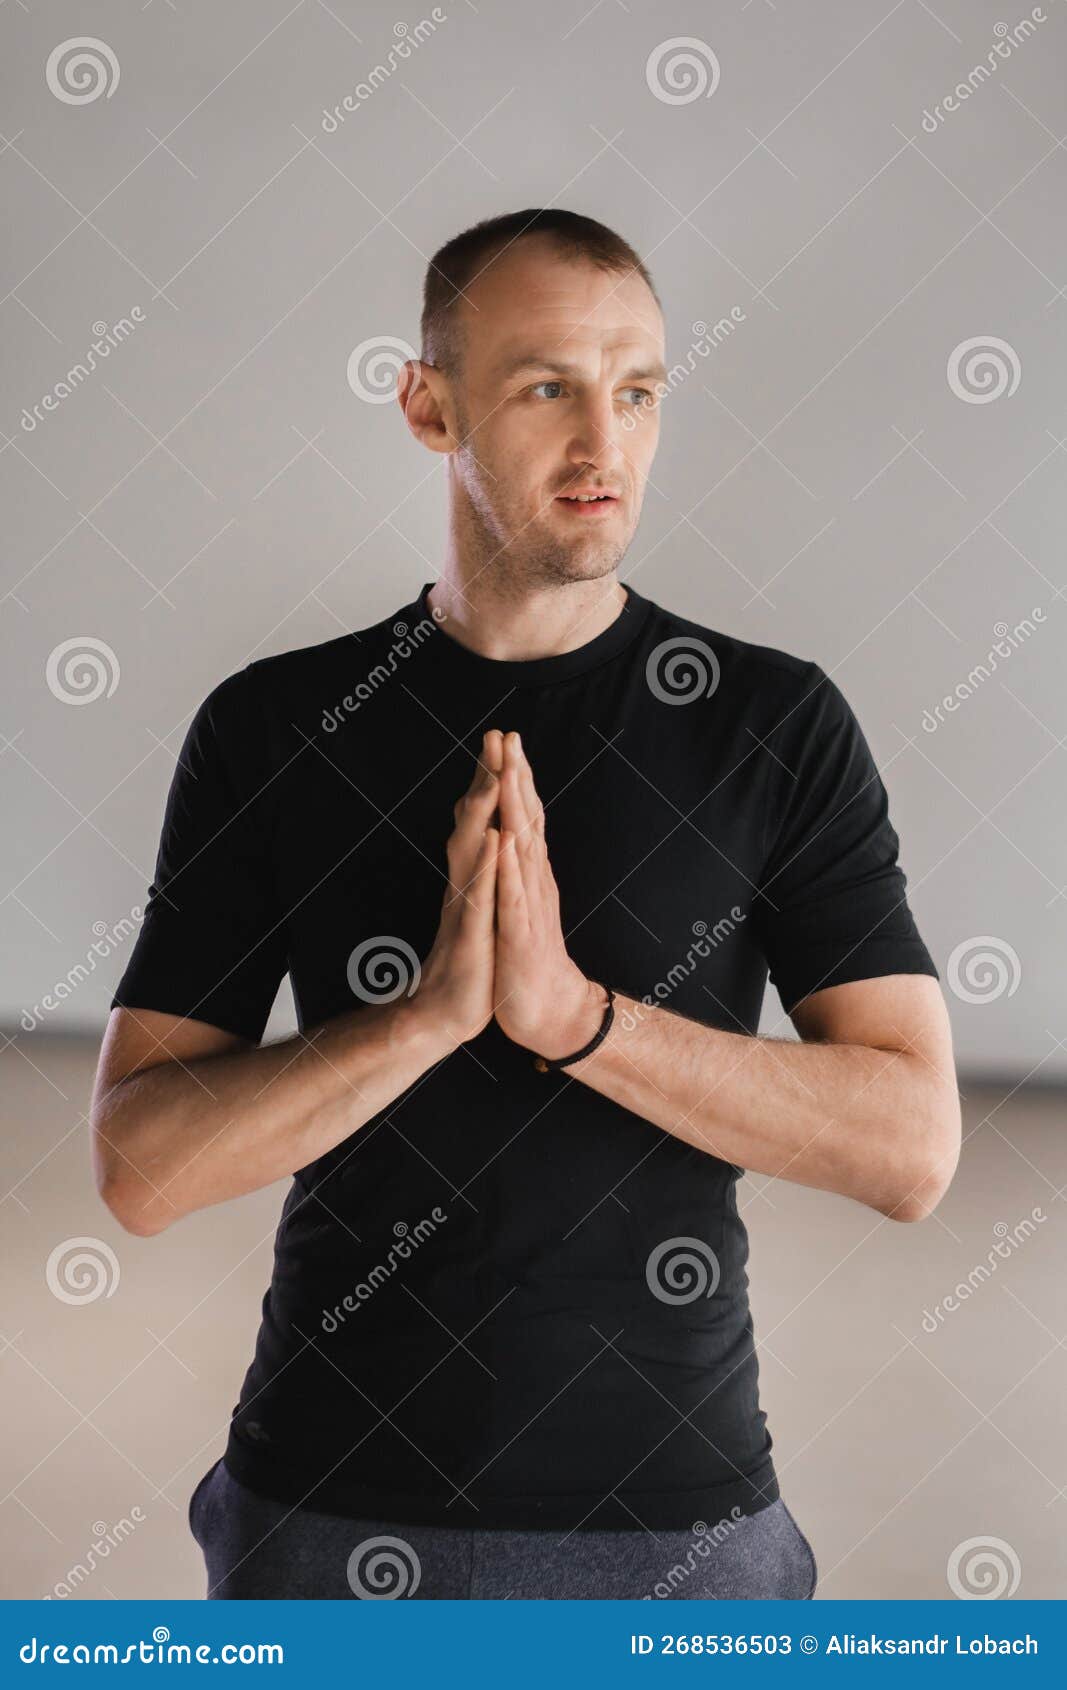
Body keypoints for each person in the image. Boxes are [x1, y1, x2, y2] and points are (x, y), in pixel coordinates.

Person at [91, 209, 961, 1601]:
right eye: (549, 386)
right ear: (429, 406)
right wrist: (424, 1020)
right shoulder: (280, 726)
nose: (604, 443)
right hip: (324, 1514)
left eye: (639, 392)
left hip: (680, 1531)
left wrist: (579, 1021)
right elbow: (143, 1169)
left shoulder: (771, 725)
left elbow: (912, 1150)